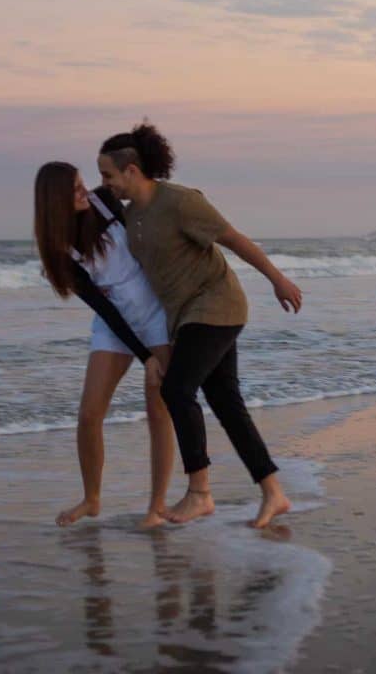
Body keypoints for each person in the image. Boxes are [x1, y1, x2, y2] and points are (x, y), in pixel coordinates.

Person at [96, 122, 303, 530]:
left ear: (131, 171)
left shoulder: (180, 202)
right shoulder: (130, 212)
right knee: (227, 404)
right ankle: (274, 492)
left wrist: (277, 278)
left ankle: (200, 492)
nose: (104, 184)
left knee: (176, 389)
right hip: (185, 315)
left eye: (108, 175)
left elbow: (234, 239)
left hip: (216, 304)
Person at [34, 162, 174, 529]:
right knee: (88, 413)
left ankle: (156, 506)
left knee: (158, 408)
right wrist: (143, 356)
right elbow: (105, 309)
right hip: (116, 324)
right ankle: (92, 498)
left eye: (83, 184)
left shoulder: (105, 202)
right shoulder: (60, 250)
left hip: (157, 313)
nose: (86, 192)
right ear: (55, 202)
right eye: (76, 189)